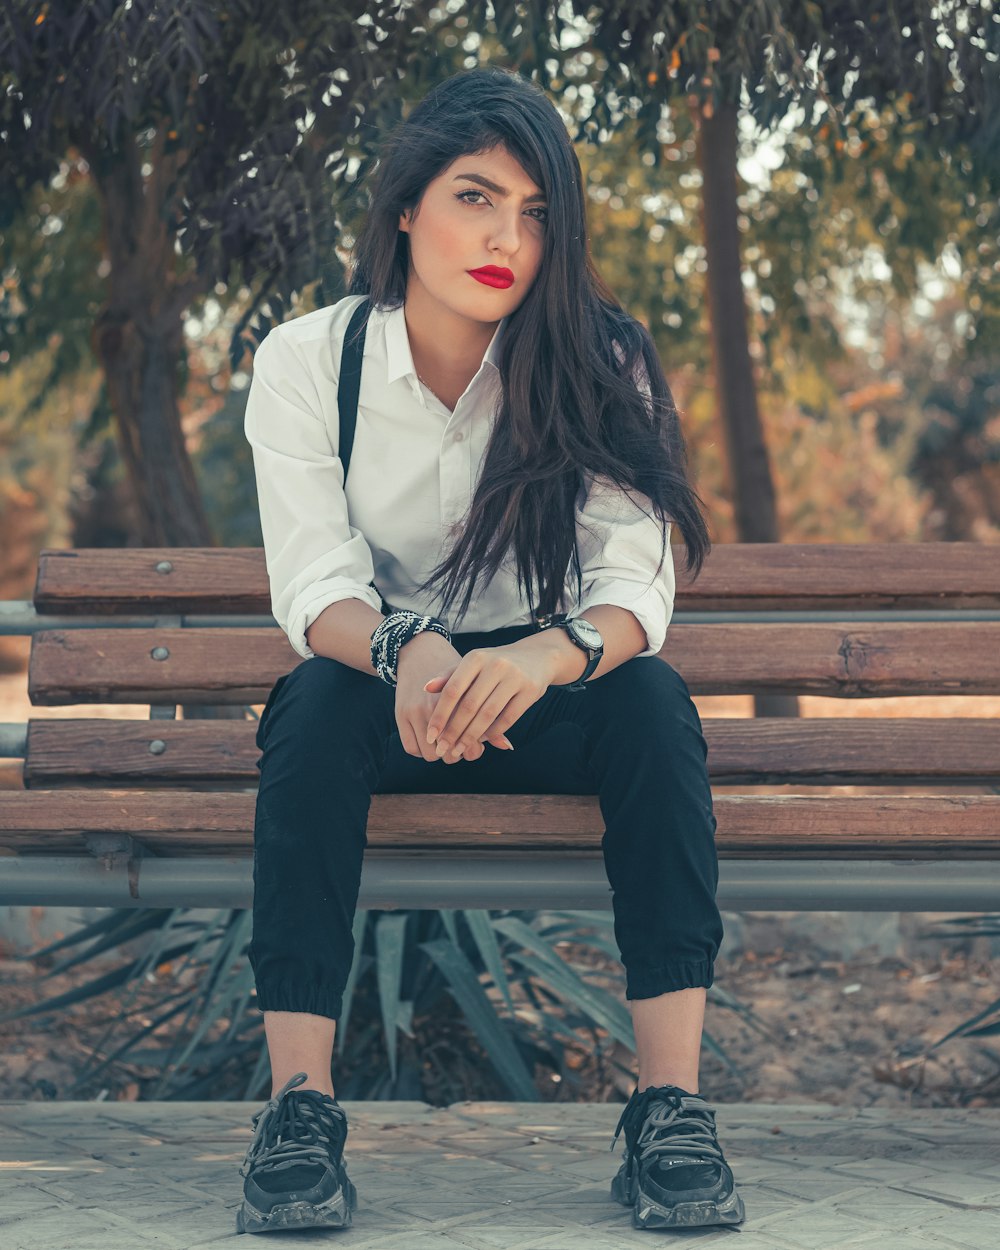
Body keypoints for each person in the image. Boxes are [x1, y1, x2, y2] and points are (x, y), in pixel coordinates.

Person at [236, 65, 744, 1236]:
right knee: (310, 707)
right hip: (384, 693)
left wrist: (542, 658)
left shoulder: (595, 357)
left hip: (547, 693)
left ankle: (668, 1109)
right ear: (406, 205)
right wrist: (408, 652)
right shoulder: (311, 361)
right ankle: (300, 1111)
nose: (504, 238)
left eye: (533, 212)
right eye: (474, 198)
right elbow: (316, 580)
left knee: (654, 704)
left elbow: (632, 574)